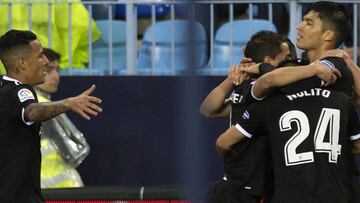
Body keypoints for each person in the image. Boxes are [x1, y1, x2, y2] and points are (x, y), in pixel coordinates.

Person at [200, 31, 335, 203]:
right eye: (286, 56)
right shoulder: (257, 89)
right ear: (269, 62)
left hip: (264, 189)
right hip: (239, 191)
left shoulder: (268, 89)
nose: (291, 60)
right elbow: (208, 110)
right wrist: (231, 79)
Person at [0, 29, 102, 202]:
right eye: (40, 56)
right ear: (22, 63)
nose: (45, 61)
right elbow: (32, 111)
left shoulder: (3, 89)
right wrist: (68, 103)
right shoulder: (20, 90)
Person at [35, 48, 88, 188]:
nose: (56, 76)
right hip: (58, 189)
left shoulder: (17, 101)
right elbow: (76, 150)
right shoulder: (44, 106)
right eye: (49, 69)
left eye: (57, 70)